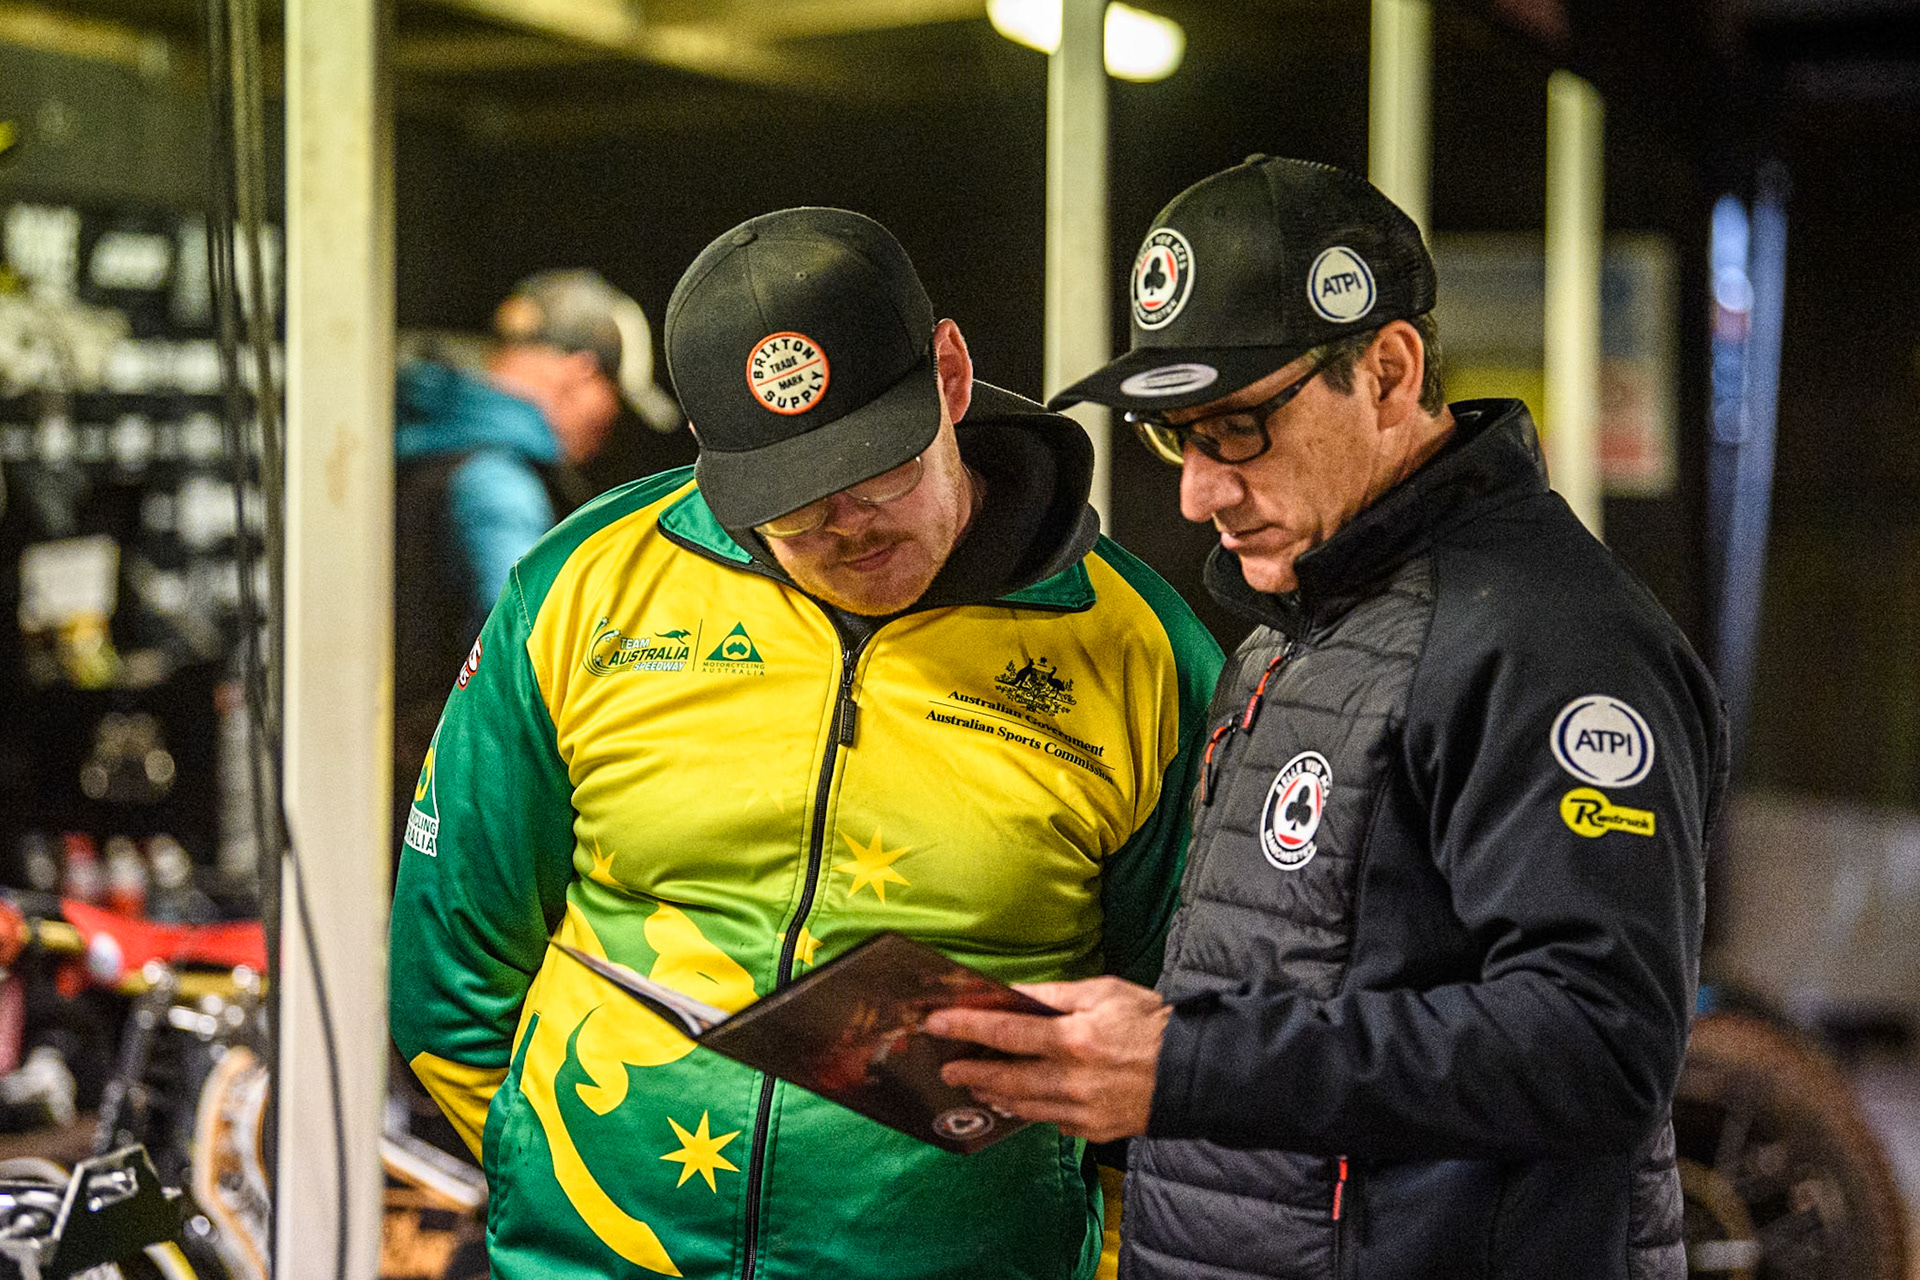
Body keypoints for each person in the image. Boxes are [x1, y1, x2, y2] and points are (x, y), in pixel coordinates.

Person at [927, 156, 1730, 1280]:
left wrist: (1183, 1064)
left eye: (1236, 428)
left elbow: (1598, 1046)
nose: (1198, 493)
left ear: (1389, 371)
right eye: (1174, 437)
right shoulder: (1294, 627)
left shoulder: (1551, 642)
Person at [389, 206, 1222, 1280]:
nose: (849, 528)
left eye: (880, 476)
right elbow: (452, 961)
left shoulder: (1140, 648)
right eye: (794, 507)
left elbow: (1181, 1033)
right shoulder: (582, 586)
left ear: (950, 378)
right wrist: (548, 1185)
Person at [391, 269, 675, 845]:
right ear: (581, 374)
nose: (608, 427)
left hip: (384, 783)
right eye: (614, 402)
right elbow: (529, 654)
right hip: (447, 804)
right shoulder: (500, 483)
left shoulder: (411, 436)